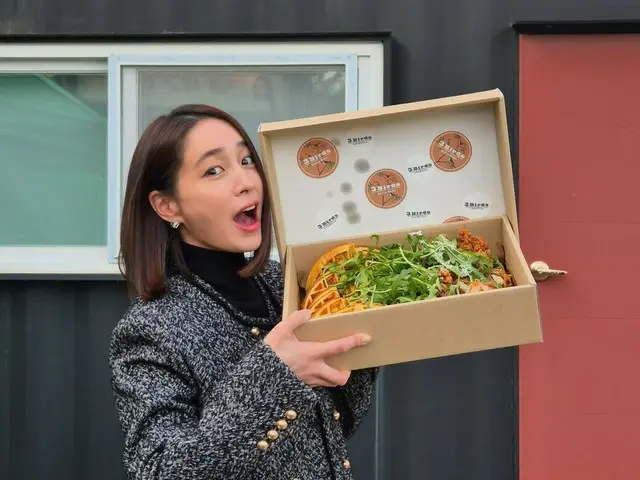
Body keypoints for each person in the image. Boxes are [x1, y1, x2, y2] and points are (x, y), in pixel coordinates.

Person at [109, 103, 378, 480]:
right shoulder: (152, 329)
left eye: (248, 160)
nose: (247, 181)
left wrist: (369, 327)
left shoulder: (283, 284)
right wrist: (274, 374)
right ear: (168, 206)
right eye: (214, 170)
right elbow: (160, 471)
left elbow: (334, 426)